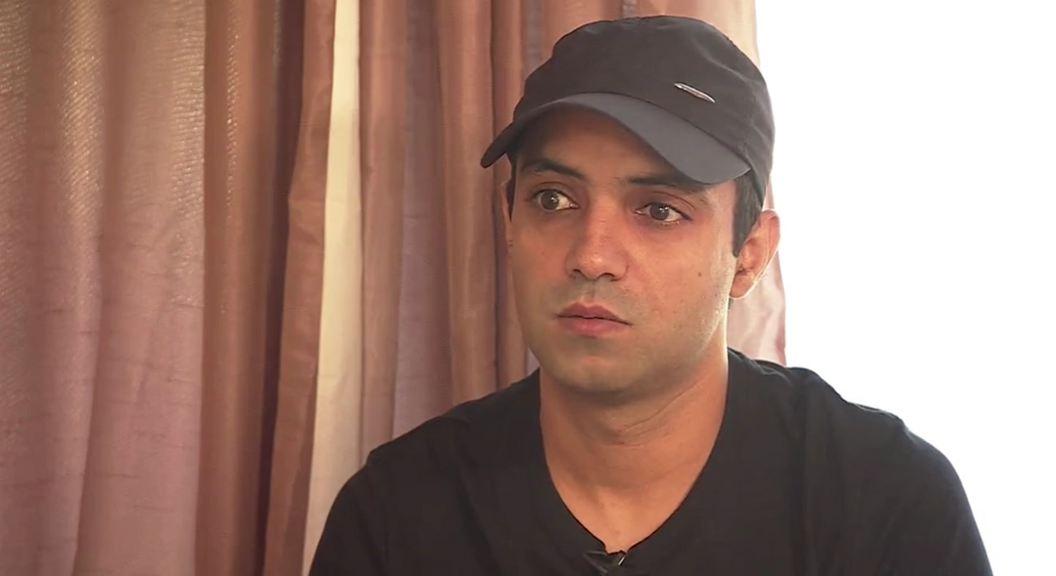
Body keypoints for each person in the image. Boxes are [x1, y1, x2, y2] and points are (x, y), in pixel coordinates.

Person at [309, 15, 992, 576]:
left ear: (748, 254)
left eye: (659, 209)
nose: (592, 256)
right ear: (510, 221)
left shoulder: (883, 499)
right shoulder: (401, 510)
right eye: (554, 199)